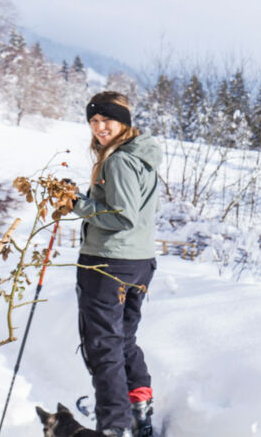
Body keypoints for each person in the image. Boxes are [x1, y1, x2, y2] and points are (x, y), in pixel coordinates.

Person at [71, 91, 162, 437]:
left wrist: (79, 206)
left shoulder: (119, 161)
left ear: (123, 120)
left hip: (107, 263)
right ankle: (137, 407)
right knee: (122, 339)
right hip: (137, 262)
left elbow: (122, 216)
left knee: (103, 345)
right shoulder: (140, 156)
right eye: (93, 121)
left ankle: (114, 424)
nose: (99, 127)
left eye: (106, 119)